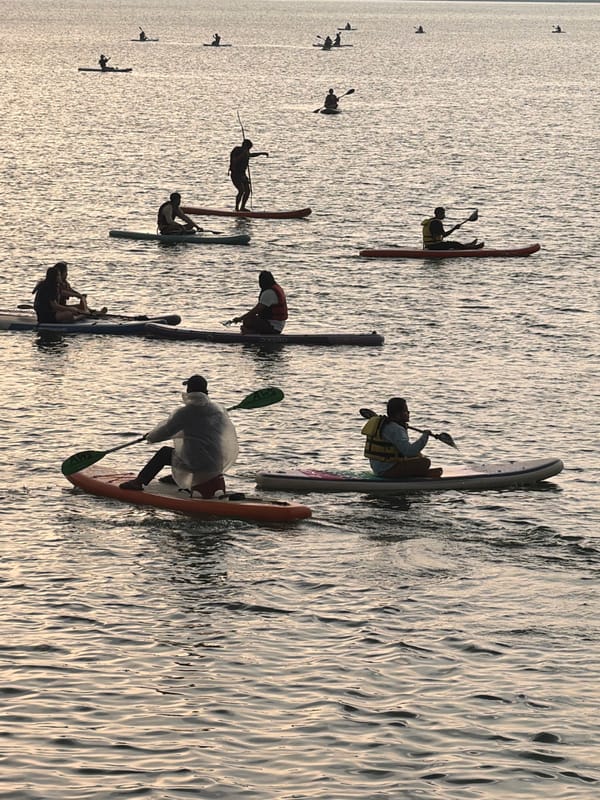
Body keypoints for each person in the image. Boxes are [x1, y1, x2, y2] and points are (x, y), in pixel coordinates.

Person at [119, 375, 239, 498]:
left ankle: (139, 482)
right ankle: (177, 476)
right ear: (207, 392)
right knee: (190, 450)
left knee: (164, 453)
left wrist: (150, 437)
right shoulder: (218, 410)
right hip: (216, 461)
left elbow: (165, 432)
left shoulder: (185, 412)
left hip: (199, 462)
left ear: (188, 392)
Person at [361, 397, 443, 479]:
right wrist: (425, 436)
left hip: (378, 469)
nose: (408, 413)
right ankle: (424, 476)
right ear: (398, 414)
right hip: (387, 471)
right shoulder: (396, 429)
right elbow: (409, 452)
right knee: (425, 462)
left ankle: (422, 474)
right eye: (406, 411)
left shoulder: (384, 424)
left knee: (419, 455)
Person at [230, 271, 288, 335]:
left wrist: (240, 318)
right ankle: (251, 332)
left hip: (273, 327)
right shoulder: (276, 288)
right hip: (276, 325)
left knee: (248, 320)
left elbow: (257, 310)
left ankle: (251, 334)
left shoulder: (269, 292)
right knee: (249, 319)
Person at [229, 139, 269, 211]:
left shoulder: (246, 152)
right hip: (235, 174)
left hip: (242, 174)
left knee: (247, 191)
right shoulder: (236, 150)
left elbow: (250, 155)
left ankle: (242, 207)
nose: (249, 150)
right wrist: (242, 154)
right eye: (248, 148)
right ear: (245, 146)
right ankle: (236, 208)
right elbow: (234, 160)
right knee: (241, 190)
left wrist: (261, 153)